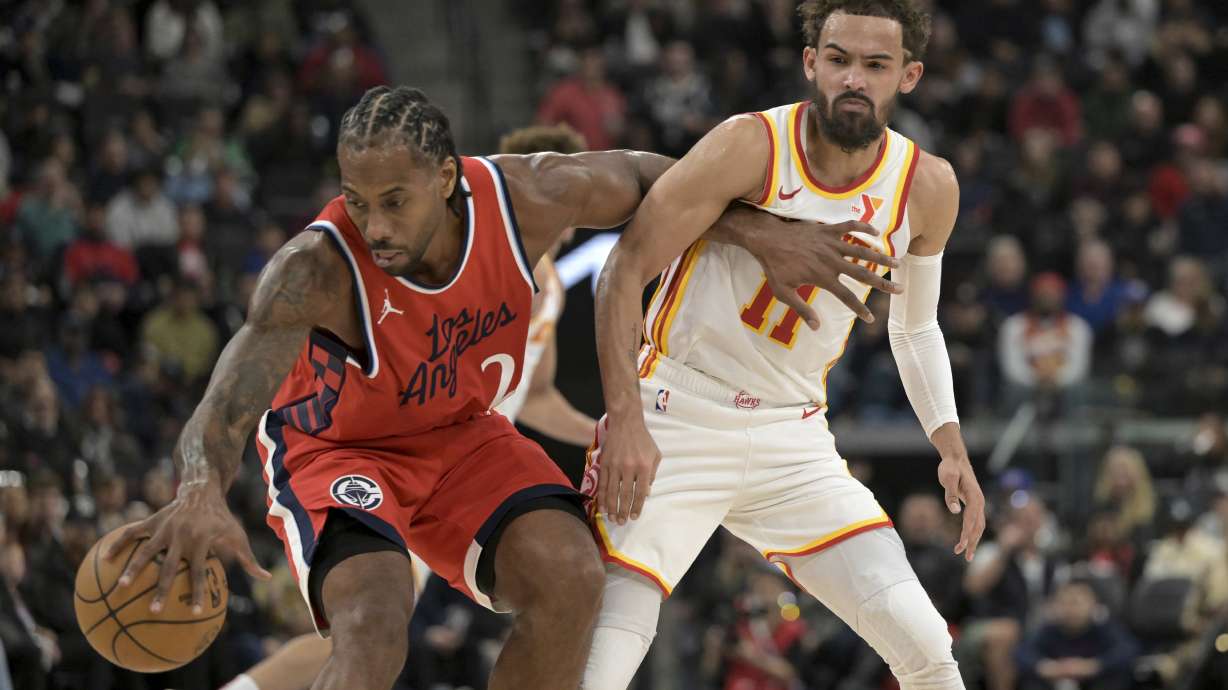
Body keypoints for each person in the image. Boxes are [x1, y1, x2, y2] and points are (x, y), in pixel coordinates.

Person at [108, 84, 899, 690]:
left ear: (446, 177)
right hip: (338, 449)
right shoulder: (315, 269)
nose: (374, 224)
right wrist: (200, 486)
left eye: (394, 201)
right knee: (376, 624)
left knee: (572, 579)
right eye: (357, 200)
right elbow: (229, 395)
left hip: (460, 434)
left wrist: (759, 231)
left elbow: (650, 179)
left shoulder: (526, 199)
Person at [582, 2, 985, 689]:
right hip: (677, 413)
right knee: (605, 658)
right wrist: (623, 417)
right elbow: (622, 270)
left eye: (875, 64)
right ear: (810, 62)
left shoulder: (928, 186)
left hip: (793, 436)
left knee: (927, 649)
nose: (854, 78)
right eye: (839, 59)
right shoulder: (750, 144)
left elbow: (914, 327)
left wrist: (950, 445)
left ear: (908, 75)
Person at [1014, 580, 1139, 690]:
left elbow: (1129, 650)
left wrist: (1093, 666)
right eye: (1064, 603)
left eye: (1076, 602)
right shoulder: (1048, 629)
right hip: (1054, 679)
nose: (1071, 609)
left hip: (1095, 680)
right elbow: (1022, 652)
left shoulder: (1104, 627)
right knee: (1030, 680)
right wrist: (1046, 667)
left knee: (1117, 677)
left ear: (1094, 604)